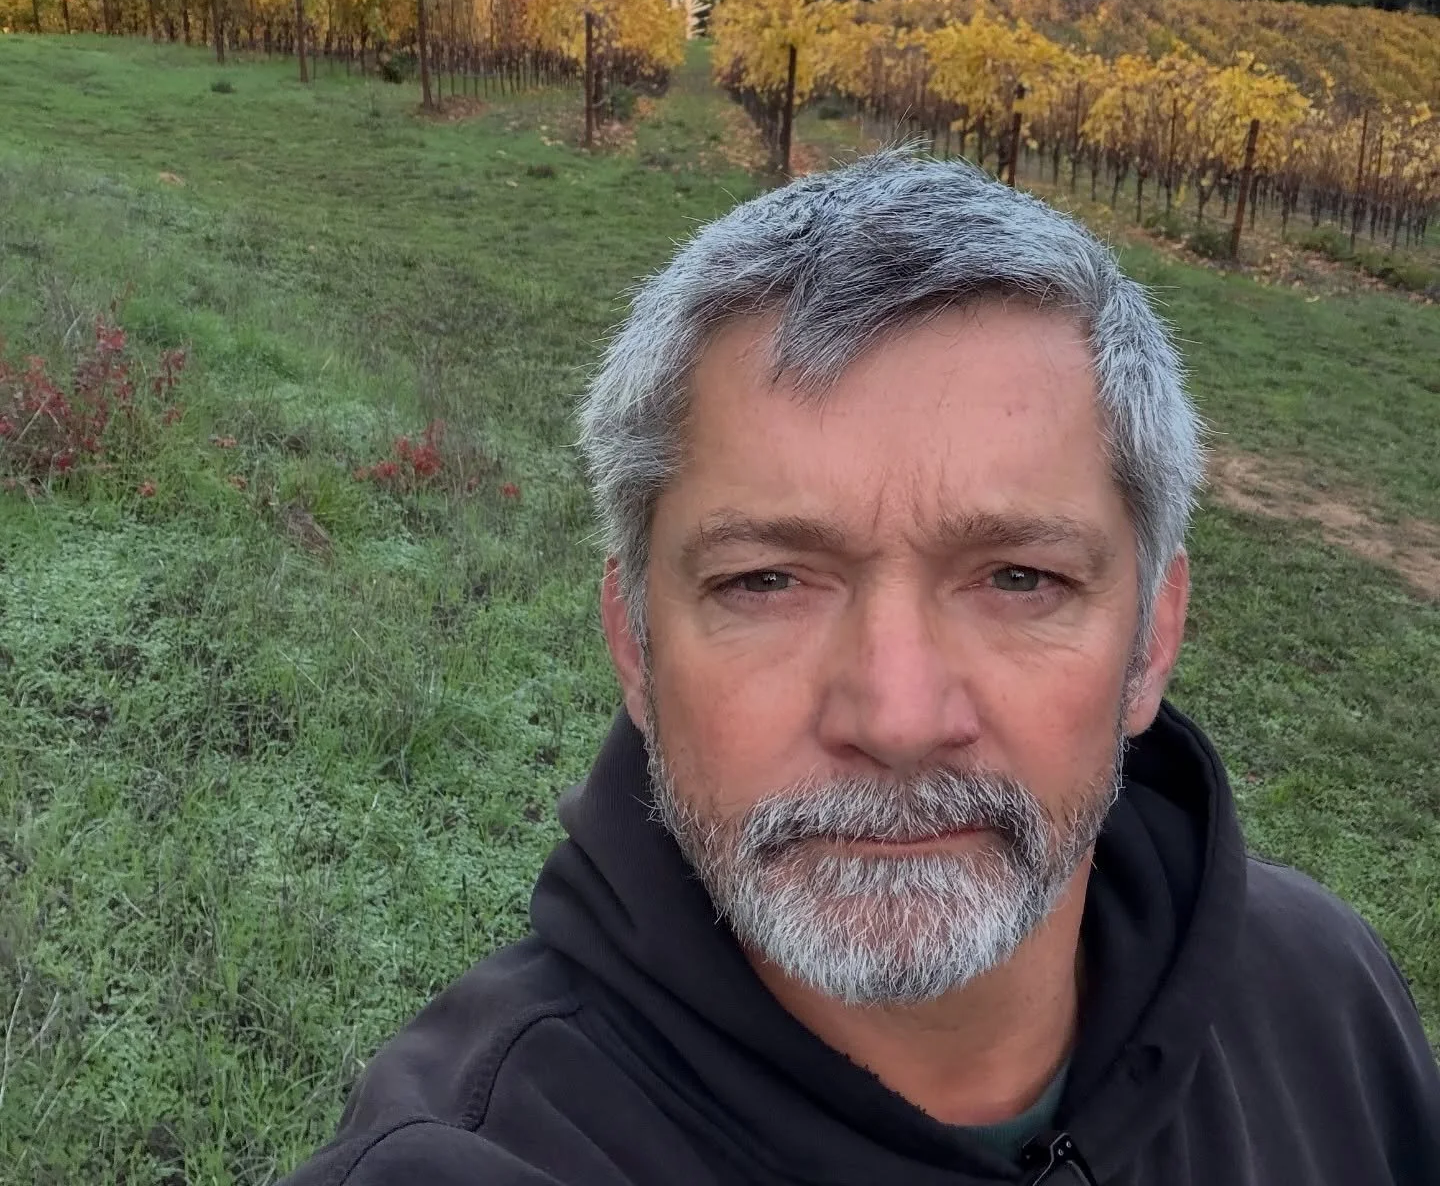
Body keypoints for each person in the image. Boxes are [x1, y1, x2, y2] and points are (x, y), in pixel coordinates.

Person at [281, 153, 1440, 1185]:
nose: (897, 715)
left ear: (1152, 641)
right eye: (767, 582)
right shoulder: (474, 1156)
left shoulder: (1324, 1002)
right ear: (635, 643)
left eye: (1018, 578)